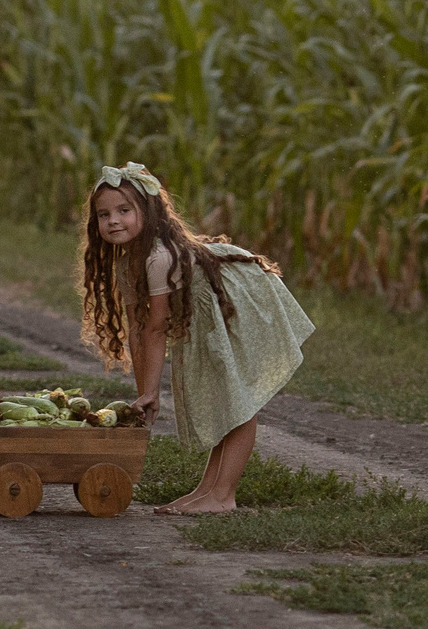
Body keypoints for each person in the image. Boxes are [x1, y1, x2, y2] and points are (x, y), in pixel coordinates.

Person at [77, 161, 314, 515]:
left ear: (149, 211)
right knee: (228, 399)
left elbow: (156, 328)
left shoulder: (158, 258)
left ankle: (223, 496)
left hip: (238, 304)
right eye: (104, 214)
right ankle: (207, 491)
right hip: (206, 317)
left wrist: (153, 391)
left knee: (239, 400)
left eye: (124, 211)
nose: (113, 220)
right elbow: (138, 331)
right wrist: (145, 394)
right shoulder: (127, 263)